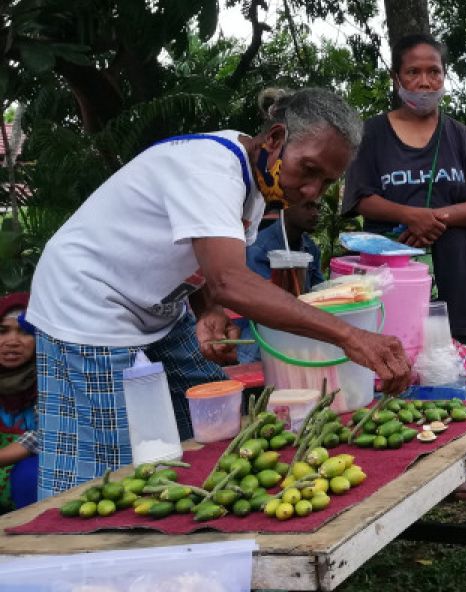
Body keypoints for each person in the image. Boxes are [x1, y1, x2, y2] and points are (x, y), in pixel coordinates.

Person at [26, 89, 411, 499]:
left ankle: (188, 515)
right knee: (106, 465)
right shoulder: (211, 169)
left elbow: (205, 266)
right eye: (309, 169)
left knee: (211, 419)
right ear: (276, 139)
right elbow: (231, 279)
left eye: (327, 182)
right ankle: (82, 551)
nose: (312, 191)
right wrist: (350, 335)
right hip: (87, 303)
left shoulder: (254, 185)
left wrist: (207, 309)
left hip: (157, 309)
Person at [342, 34, 466, 354]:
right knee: (392, 368)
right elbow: (359, 198)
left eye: (434, 72)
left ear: (444, 76)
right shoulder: (370, 135)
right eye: (413, 72)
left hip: (457, 281)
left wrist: (435, 217)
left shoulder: (464, 139)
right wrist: (408, 215)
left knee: (457, 377)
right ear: (396, 77)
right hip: (388, 284)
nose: (425, 82)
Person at [238, 199, 327, 363]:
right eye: (308, 206)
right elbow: (264, 305)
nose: (315, 213)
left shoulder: (310, 248)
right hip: (263, 337)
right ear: (286, 207)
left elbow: (321, 292)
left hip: (299, 329)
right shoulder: (260, 248)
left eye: (317, 207)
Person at [0, 293, 37, 511]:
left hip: (29, 465)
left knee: (30, 475)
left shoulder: (53, 376)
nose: (12, 341)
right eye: (2, 331)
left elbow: (49, 435)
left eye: (24, 332)